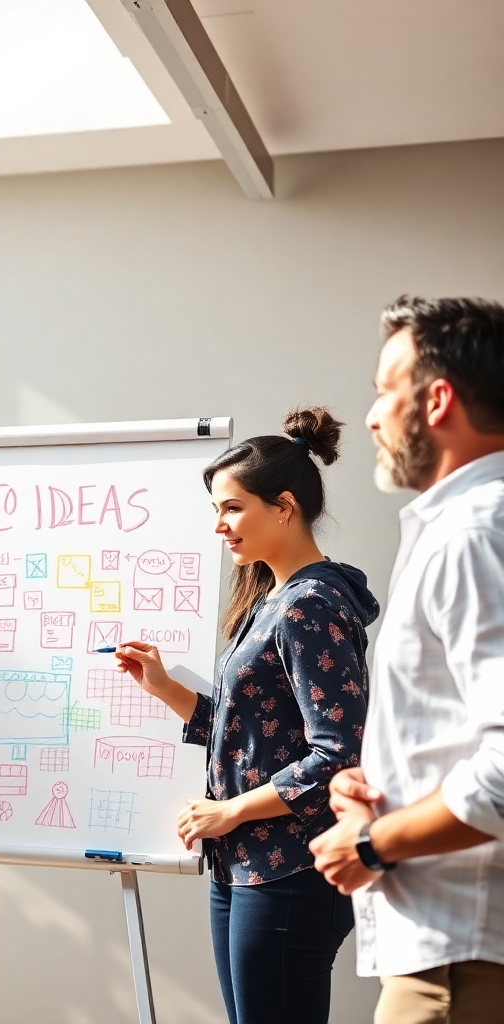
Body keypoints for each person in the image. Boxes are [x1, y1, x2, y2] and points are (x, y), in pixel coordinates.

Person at [118, 407, 379, 1024]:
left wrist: (229, 811)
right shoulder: (272, 600)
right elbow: (254, 731)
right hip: (244, 864)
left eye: (231, 508)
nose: (219, 525)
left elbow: (338, 755)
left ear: (284, 507)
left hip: (290, 868)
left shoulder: (308, 606)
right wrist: (166, 689)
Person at [310, 297, 504, 1024]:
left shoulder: (475, 534)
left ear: (438, 400)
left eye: (385, 390)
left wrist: (370, 841)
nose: (370, 417)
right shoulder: (467, 529)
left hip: (460, 963)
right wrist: (385, 786)